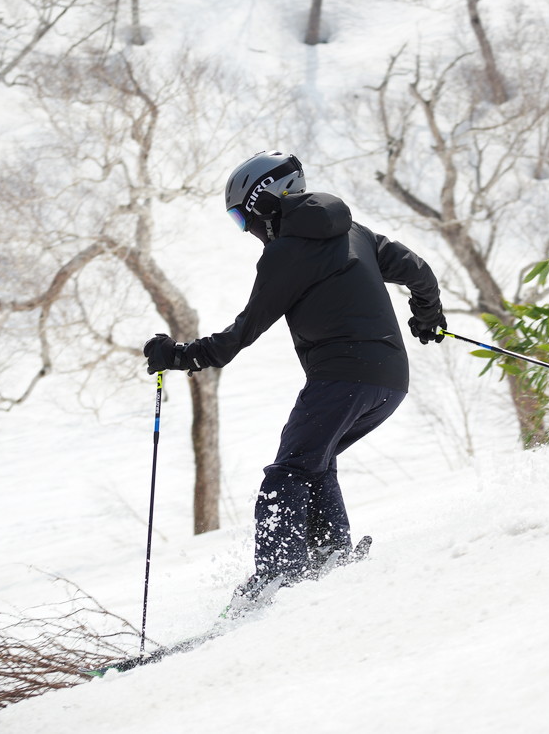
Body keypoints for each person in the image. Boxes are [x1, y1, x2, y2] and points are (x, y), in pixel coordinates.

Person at [143, 150, 446, 605]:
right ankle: (329, 556)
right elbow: (419, 271)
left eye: (241, 218)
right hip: (390, 382)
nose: (246, 231)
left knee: (286, 473)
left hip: (341, 377)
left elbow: (241, 333)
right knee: (313, 462)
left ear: (264, 202)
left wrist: (180, 356)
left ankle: (277, 578)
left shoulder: (288, 253)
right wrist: (428, 317)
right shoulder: (356, 233)